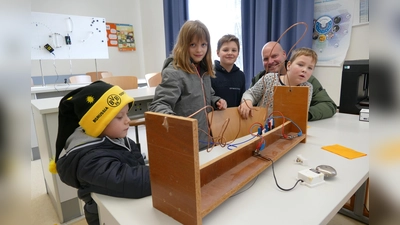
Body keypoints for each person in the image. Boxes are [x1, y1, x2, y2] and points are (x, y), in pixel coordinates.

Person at [50, 81, 151, 225]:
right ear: (98, 123)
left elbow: (137, 164)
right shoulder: (90, 159)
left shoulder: (116, 139)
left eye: (127, 114)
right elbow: (129, 180)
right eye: (119, 117)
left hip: (125, 204)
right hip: (103, 214)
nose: (128, 121)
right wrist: (163, 177)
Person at [148, 20, 227, 150]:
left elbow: (208, 95)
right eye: (193, 44)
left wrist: (216, 101)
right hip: (184, 141)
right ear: (183, 45)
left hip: (205, 138)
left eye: (203, 44)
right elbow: (158, 105)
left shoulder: (204, 70)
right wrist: (177, 123)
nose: (199, 50)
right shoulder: (174, 72)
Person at [251, 41, 337, 121]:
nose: (270, 61)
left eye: (274, 56)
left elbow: (329, 106)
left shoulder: (306, 80)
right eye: (265, 59)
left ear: (284, 55)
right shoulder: (260, 78)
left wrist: (304, 114)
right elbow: (249, 100)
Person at [239, 47, 317, 119]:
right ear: (289, 65)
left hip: (288, 129)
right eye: (300, 65)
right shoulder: (269, 78)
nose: (305, 70)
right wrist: (247, 102)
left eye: (310, 68)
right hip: (261, 126)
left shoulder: (307, 87)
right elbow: (250, 93)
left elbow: (301, 115)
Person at [211, 34, 246, 107]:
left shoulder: (241, 75)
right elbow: (207, 98)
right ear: (218, 53)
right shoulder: (210, 73)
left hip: (235, 117)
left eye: (234, 50)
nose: (230, 53)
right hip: (214, 117)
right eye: (225, 50)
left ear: (238, 53)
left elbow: (242, 99)